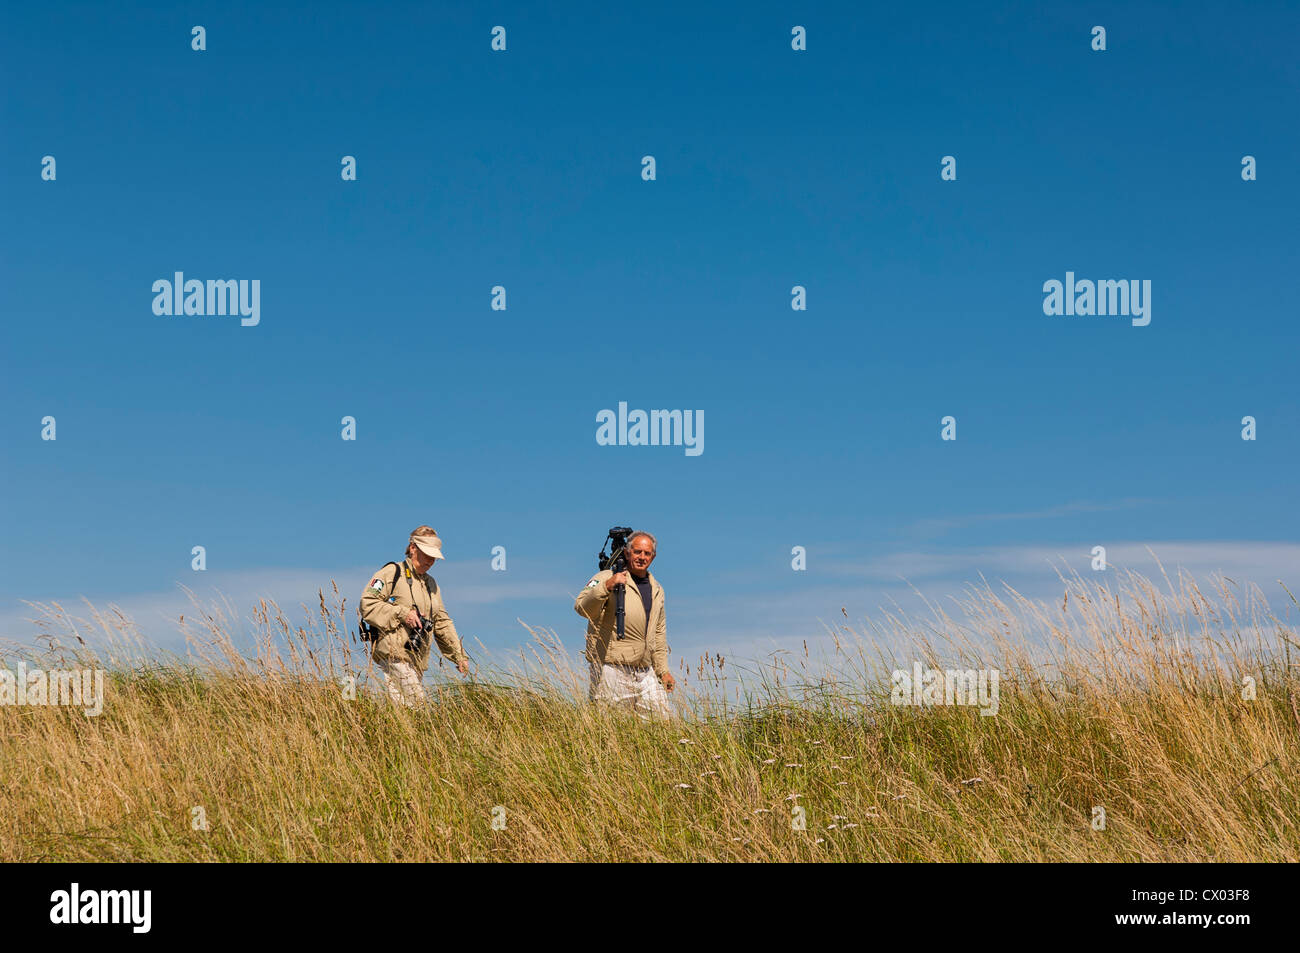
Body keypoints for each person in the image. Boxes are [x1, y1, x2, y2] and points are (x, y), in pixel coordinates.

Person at [361, 526, 469, 705]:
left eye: (434, 556)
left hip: (416, 658)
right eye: (427, 554)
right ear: (413, 548)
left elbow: (441, 622)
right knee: (417, 703)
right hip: (393, 654)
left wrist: (459, 656)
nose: (431, 560)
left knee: (403, 711)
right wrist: (403, 614)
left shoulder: (431, 584)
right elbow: (367, 604)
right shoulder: (392, 572)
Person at [574, 530, 675, 718]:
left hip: (645, 671)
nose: (642, 557)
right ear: (627, 553)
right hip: (611, 668)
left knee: (661, 723)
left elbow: (659, 633)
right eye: (637, 552)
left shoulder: (657, 589)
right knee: (611, 726)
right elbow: (582, 608)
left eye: (647, 553)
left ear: (653, 556)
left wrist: (663, 671)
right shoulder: (606, 576)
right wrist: (606, 586)